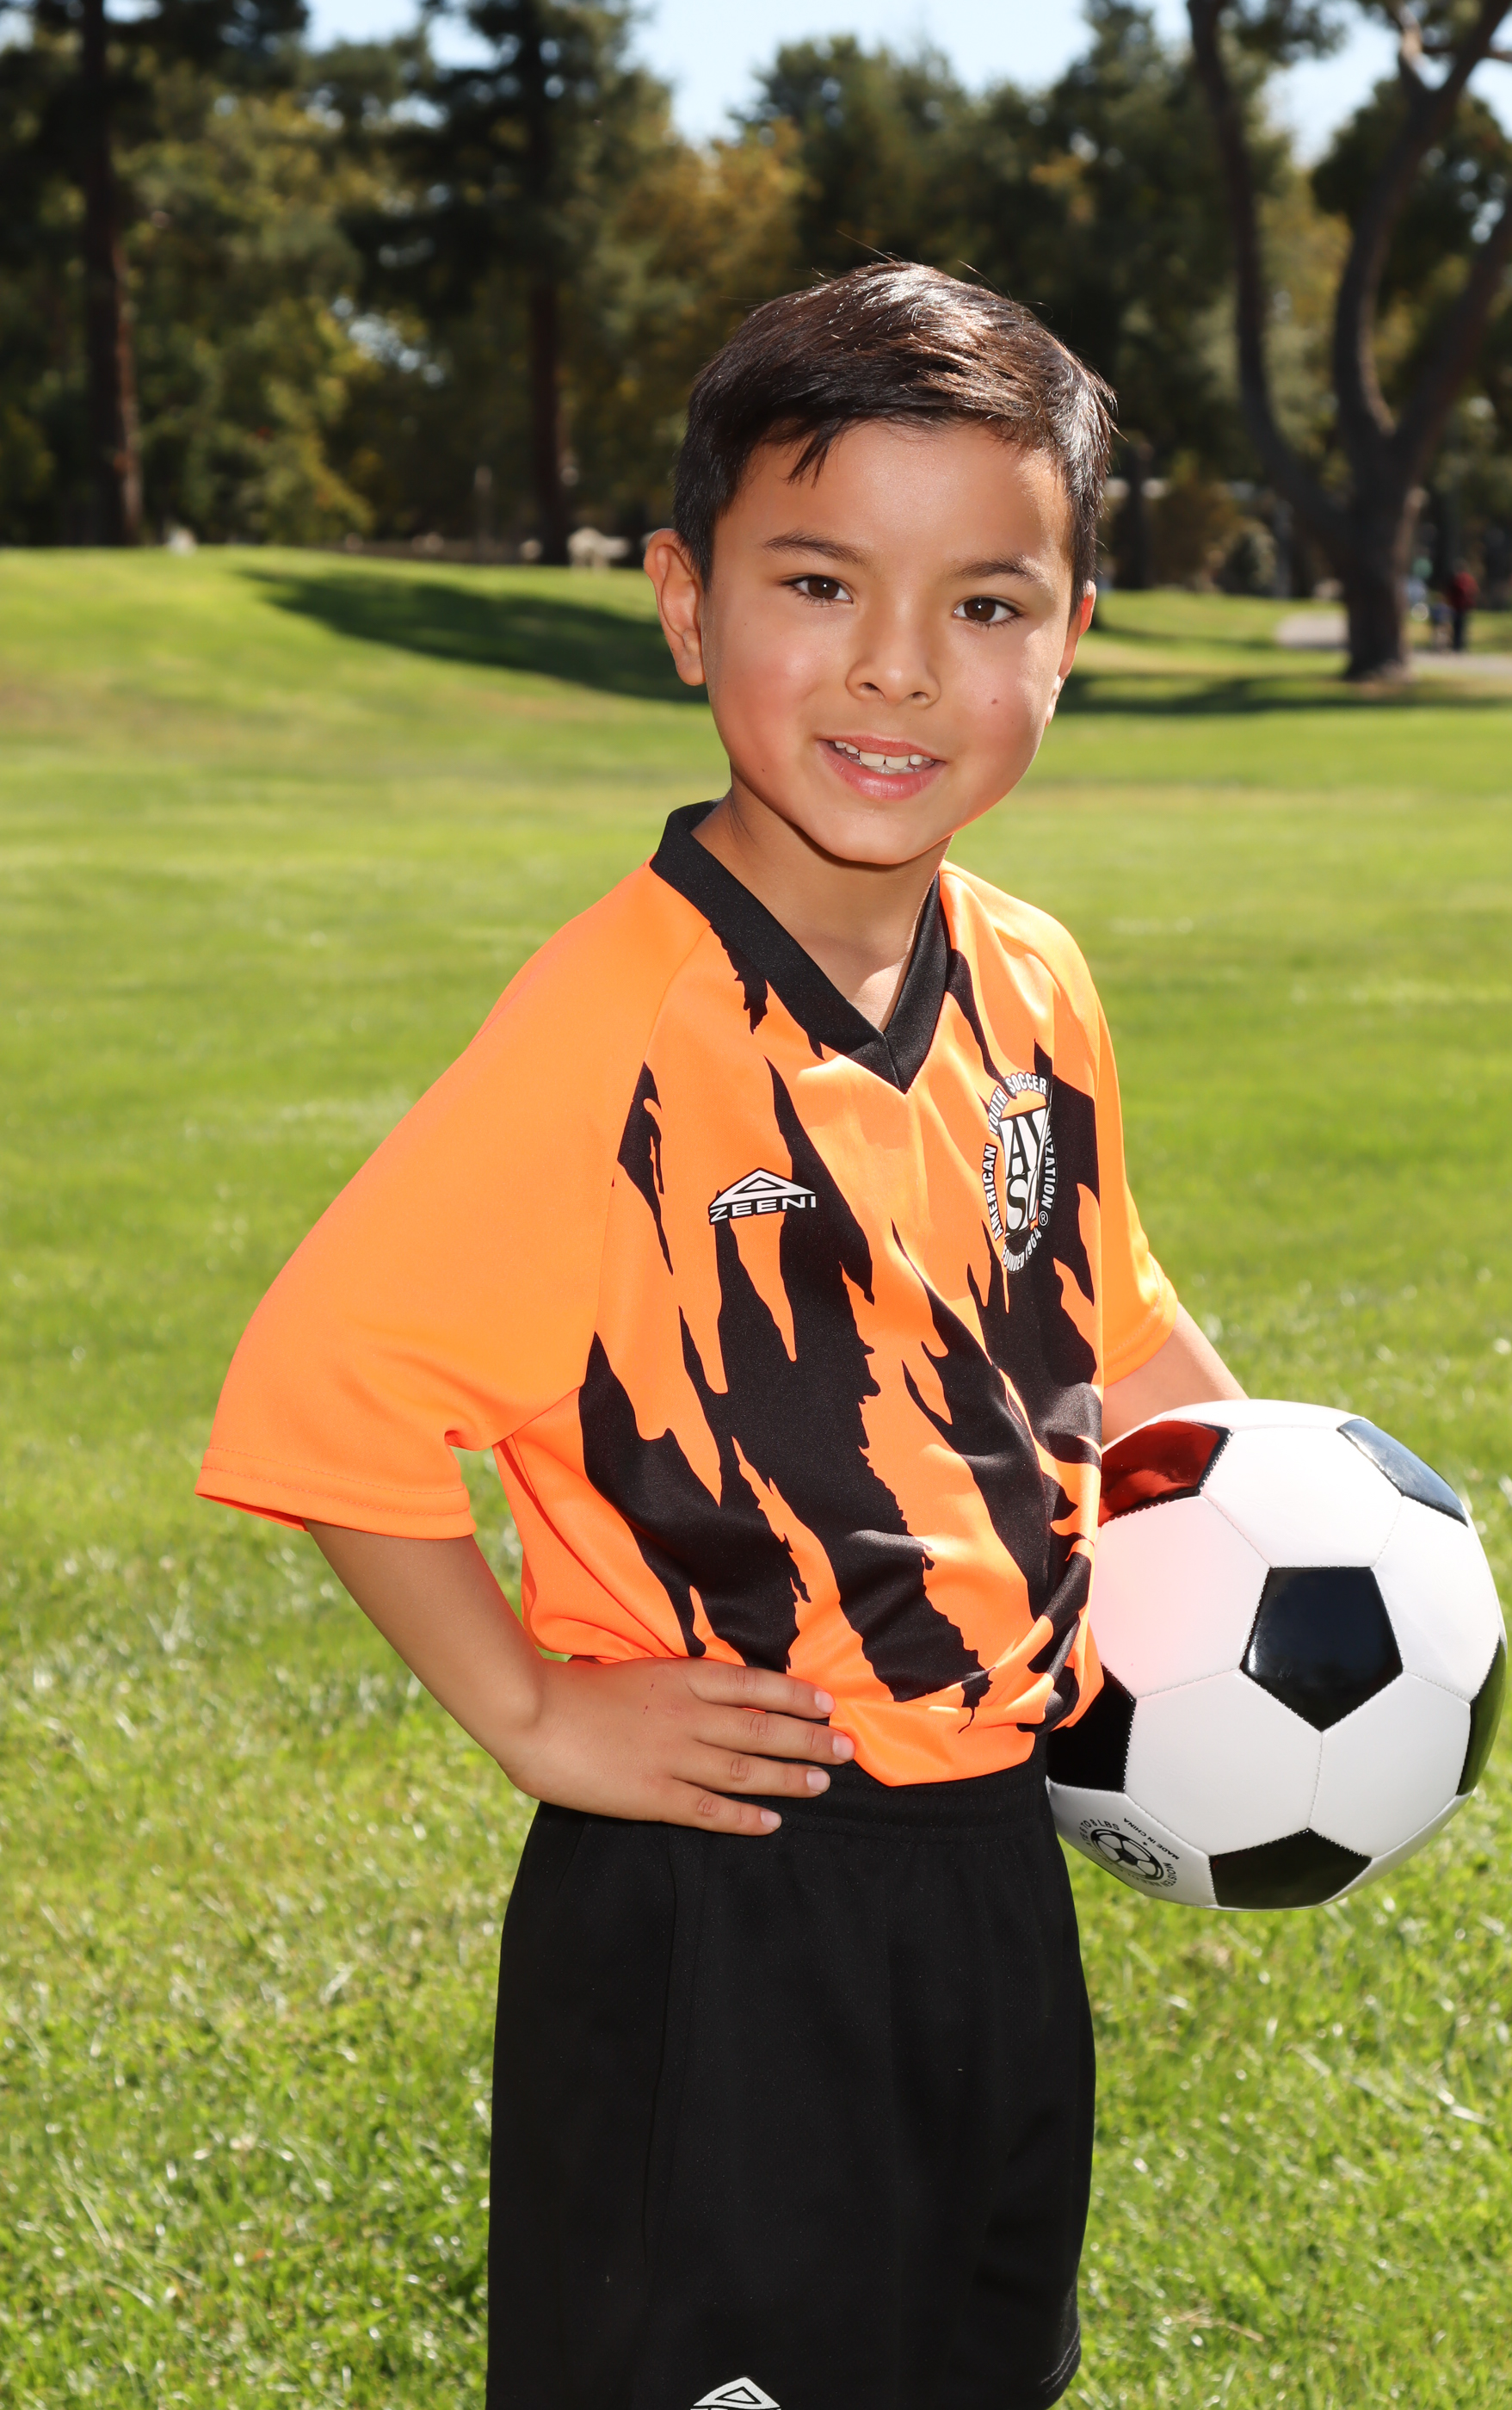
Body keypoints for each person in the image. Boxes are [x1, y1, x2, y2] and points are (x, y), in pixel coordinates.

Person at [196, 263, 1244, 2410]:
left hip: (992, 1871)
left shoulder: (1034, 981)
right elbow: (326, 1392)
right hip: (720, 1891)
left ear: (1068, 633)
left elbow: (1101, 1314)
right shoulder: (614, 1023)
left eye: (983, 603)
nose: (895, 665)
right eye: (817, 580)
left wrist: (1271, 1509)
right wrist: (532, 1712)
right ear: (686, 605)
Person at [1446, 564, 1479, 651]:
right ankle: (1459, 644)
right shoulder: (1468, 579)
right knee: (1460, 627)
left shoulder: (1459, 580)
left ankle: (1458, 645)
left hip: (1460, 606)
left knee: (1459, 627)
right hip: (1462, 606)